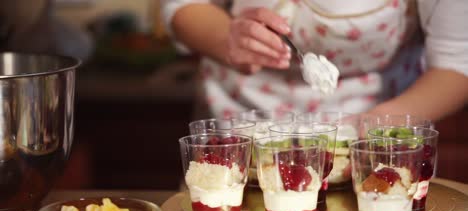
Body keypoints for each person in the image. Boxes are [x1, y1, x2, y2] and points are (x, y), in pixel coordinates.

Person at [160, 0, 468, 121]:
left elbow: (458, 61)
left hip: (371, 133)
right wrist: (227, 37)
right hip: (238, 123)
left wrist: (381, 124)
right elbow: (182, 5)